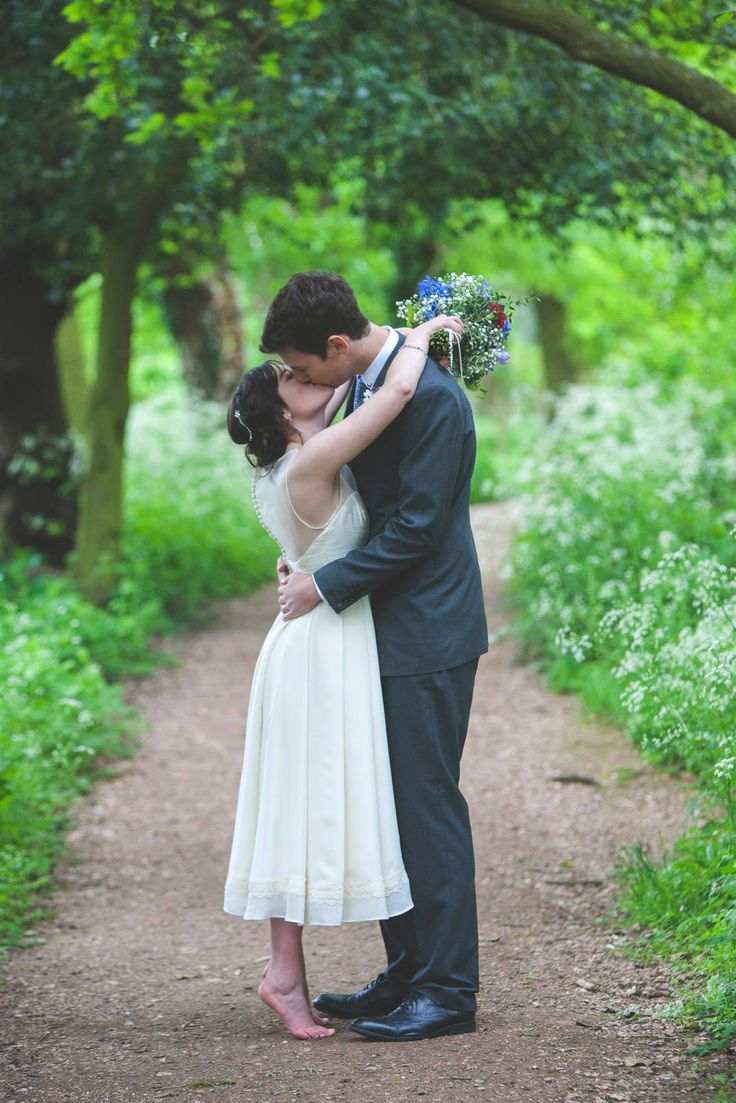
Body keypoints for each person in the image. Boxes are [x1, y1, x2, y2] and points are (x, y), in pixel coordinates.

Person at [223, 304, 464, 1041]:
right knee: (324, 803)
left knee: (401, 805)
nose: (301, 380)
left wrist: (314, 570)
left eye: (300, 367)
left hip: (344, 632)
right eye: (289, 380)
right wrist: (416, 339)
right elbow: (389, 396)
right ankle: (364, 973)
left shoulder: (310, 445)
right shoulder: (315, 452)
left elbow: (407, 511)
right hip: (323, 643)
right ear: (282, 416)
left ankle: (432, 984)